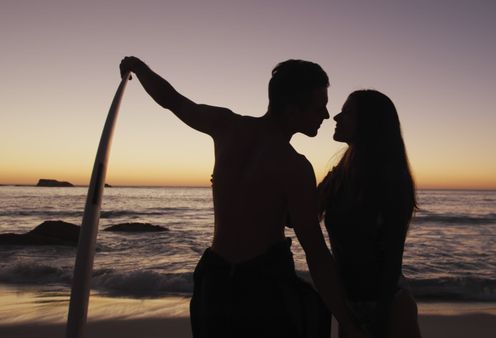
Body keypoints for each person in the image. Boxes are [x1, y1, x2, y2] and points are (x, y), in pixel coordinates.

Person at [119, 57, 368, 338]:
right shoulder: (294, 166)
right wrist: (347, 321)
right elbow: (315, 251)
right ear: (292, 108)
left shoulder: (226, 126)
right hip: (263, 288)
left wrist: (139, 68)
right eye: (319, 104)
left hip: (214, 283)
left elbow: (172, 100)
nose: (325, 114)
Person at [318, 90, 421, 338]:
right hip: (348, 302)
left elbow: (392, 254)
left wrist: (381, 316)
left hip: (389, 303)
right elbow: (294, 218)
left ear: (369, 122)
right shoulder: (339, 176)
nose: (336, 117)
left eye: (348, 112)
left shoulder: (391, 180)